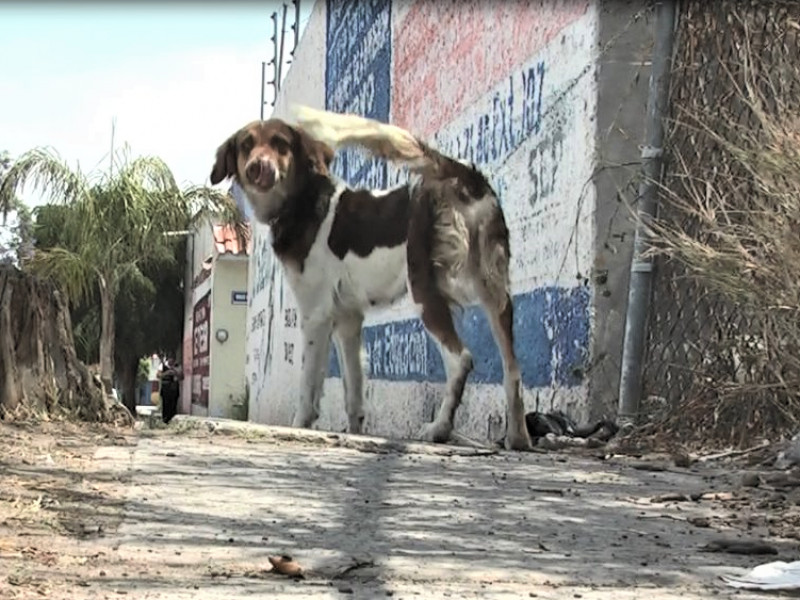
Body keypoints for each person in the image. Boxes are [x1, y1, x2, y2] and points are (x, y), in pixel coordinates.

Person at [159, 358, 182, 424]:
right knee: (165, 405)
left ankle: (172, 420)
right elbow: (158, 375)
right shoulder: (162, 365)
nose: (171, 361)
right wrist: (167, 373)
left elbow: (182, 377)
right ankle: (165, 420)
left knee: (173, 405)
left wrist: (175, 373)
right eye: (170, 359)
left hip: (174, 389)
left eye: (172, 359)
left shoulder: (178, 366)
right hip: (165, 389)